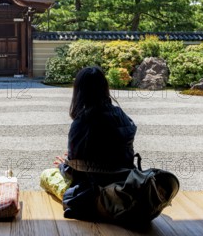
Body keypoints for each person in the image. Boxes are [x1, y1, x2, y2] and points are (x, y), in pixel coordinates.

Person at [41, 66, 138, 219]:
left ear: (78, 92)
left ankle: (98, 205)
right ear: (104, 88)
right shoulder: (121, 115)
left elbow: (76, 171)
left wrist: (64, 165)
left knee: (46, 175)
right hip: (123, 184)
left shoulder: (83, 121)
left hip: (93, 190)